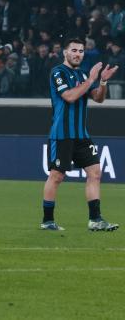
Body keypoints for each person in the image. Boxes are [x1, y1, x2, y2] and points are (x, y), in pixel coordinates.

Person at [41, 38, 119, 232]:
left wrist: (102, 81)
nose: (77, 54)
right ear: (65, 53)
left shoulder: (83, 74)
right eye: (74, 50)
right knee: (57, 176)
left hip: (81, 135)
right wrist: (91, 80)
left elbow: (98, 98)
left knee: (95, 172)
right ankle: (47, 221)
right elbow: (69, 96)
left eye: (81, 51)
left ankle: (95, 219)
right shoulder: (58, 72)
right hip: (62, 134)